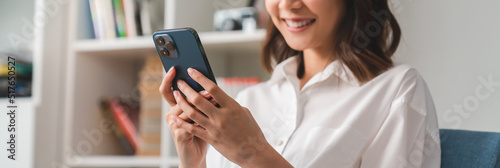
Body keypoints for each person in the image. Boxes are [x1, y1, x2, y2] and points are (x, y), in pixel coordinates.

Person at [160, 0, 441, 167]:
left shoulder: (397, 90)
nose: (289, 5)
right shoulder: (247, 101)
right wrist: (193, 163)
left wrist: (255, 154)